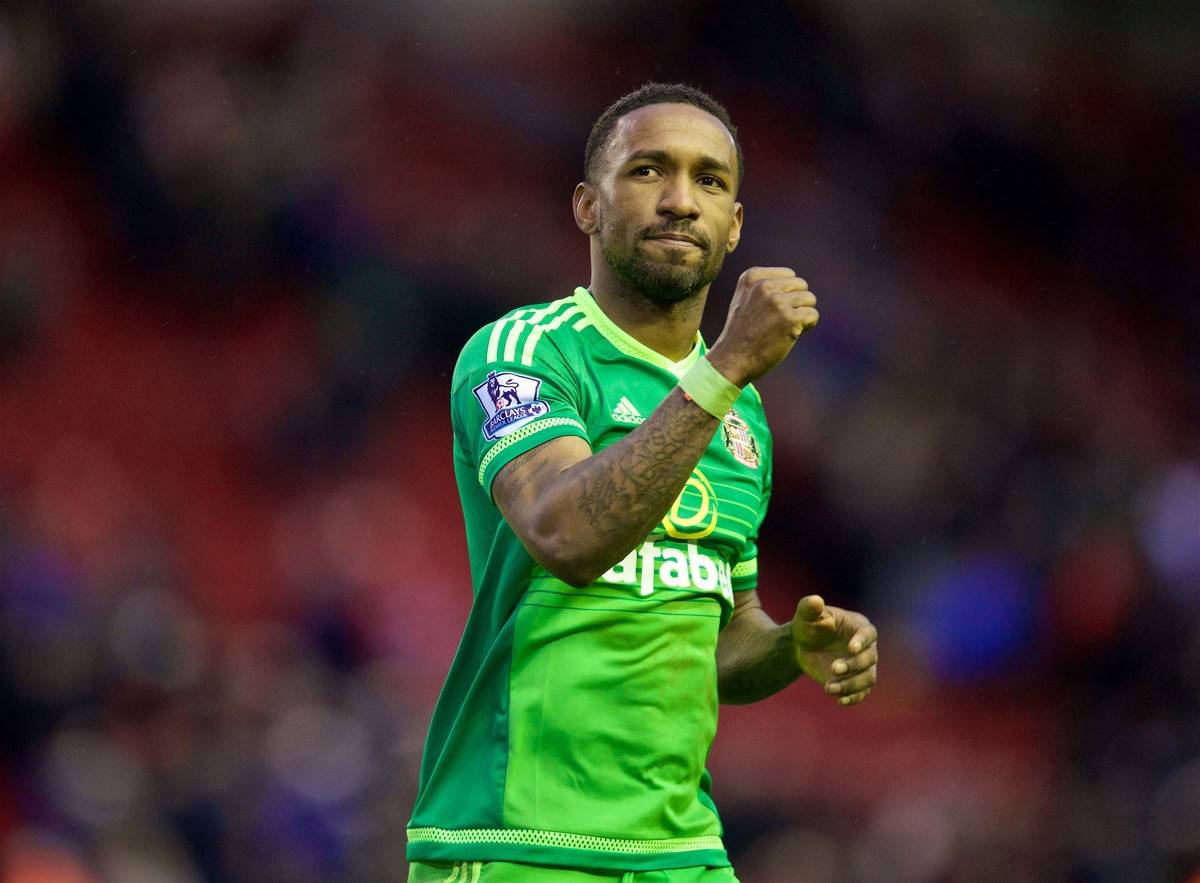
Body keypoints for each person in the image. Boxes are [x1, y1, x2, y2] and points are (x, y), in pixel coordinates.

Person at [407, 82, 878, 883]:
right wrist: (722, 367)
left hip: (680, 847)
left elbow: (720, 637)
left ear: (734, 226)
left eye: (710, 180)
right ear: (588, 207)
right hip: (520, 839)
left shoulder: (743, 415)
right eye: (650, 171)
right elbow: (567, 534)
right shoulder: (524, 351)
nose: (682, 200)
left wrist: (787, 648)